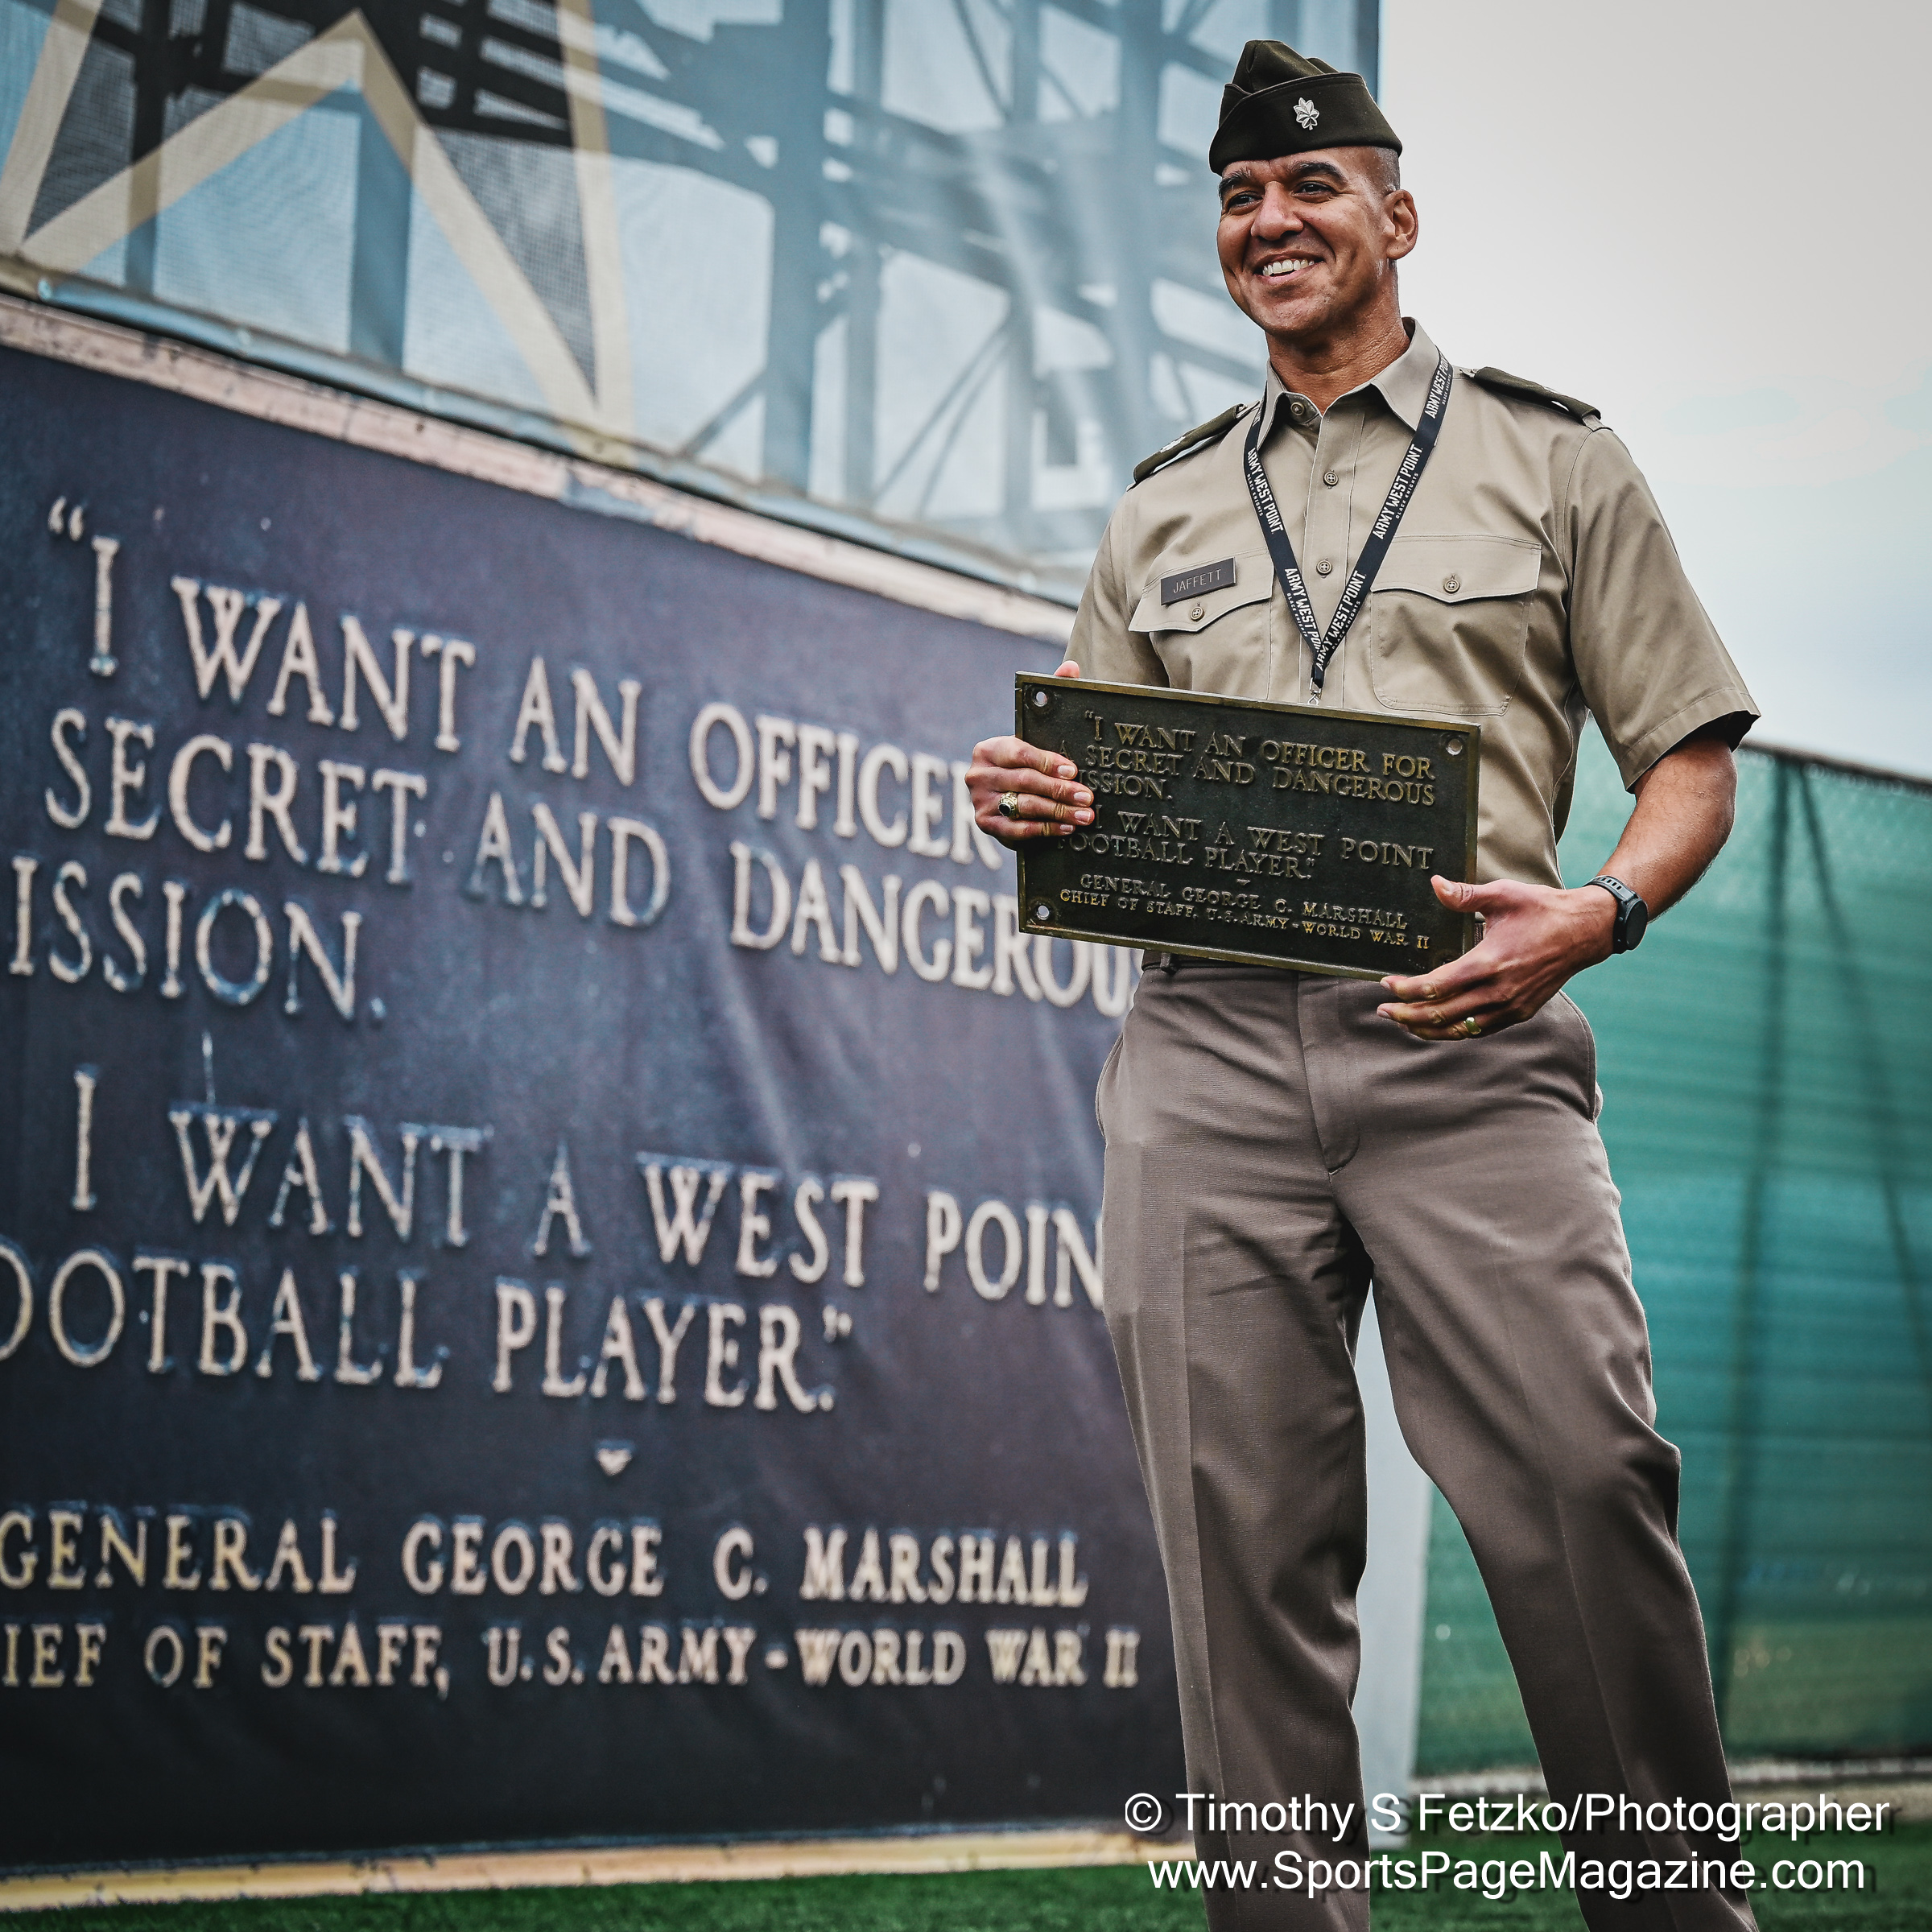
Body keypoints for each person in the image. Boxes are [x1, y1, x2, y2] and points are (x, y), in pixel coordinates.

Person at [968, 39, 1759, 1932]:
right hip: (1205, 1056)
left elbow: (1691, 760)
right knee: (1237, 1549)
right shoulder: (1161, 508)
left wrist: (1600, 912)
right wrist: (1032, 799)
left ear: (1398, 218)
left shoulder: (1554, 457)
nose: (1271, 219)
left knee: (1583, 1483)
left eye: (1310, 186)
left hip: (1472, 1040)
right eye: (1241, 197)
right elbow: (1103, 778)